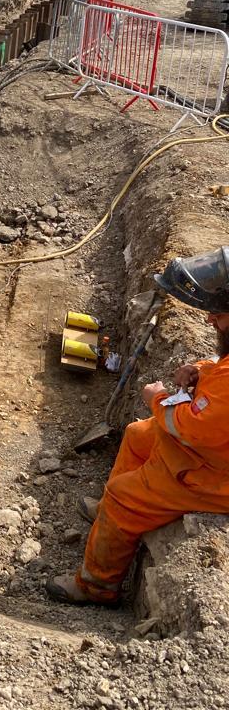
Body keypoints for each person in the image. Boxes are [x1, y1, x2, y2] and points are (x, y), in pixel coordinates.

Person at [48, 246, 229, 605]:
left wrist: (157, 399)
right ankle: (109, 517)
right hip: (212, 450)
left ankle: (96, 586)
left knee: (123, 498)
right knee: (137, 433)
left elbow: (194, 429)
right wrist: (201, 371)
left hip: (213, 474)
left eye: (220, 315)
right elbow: (221, 371)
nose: (211, 321)